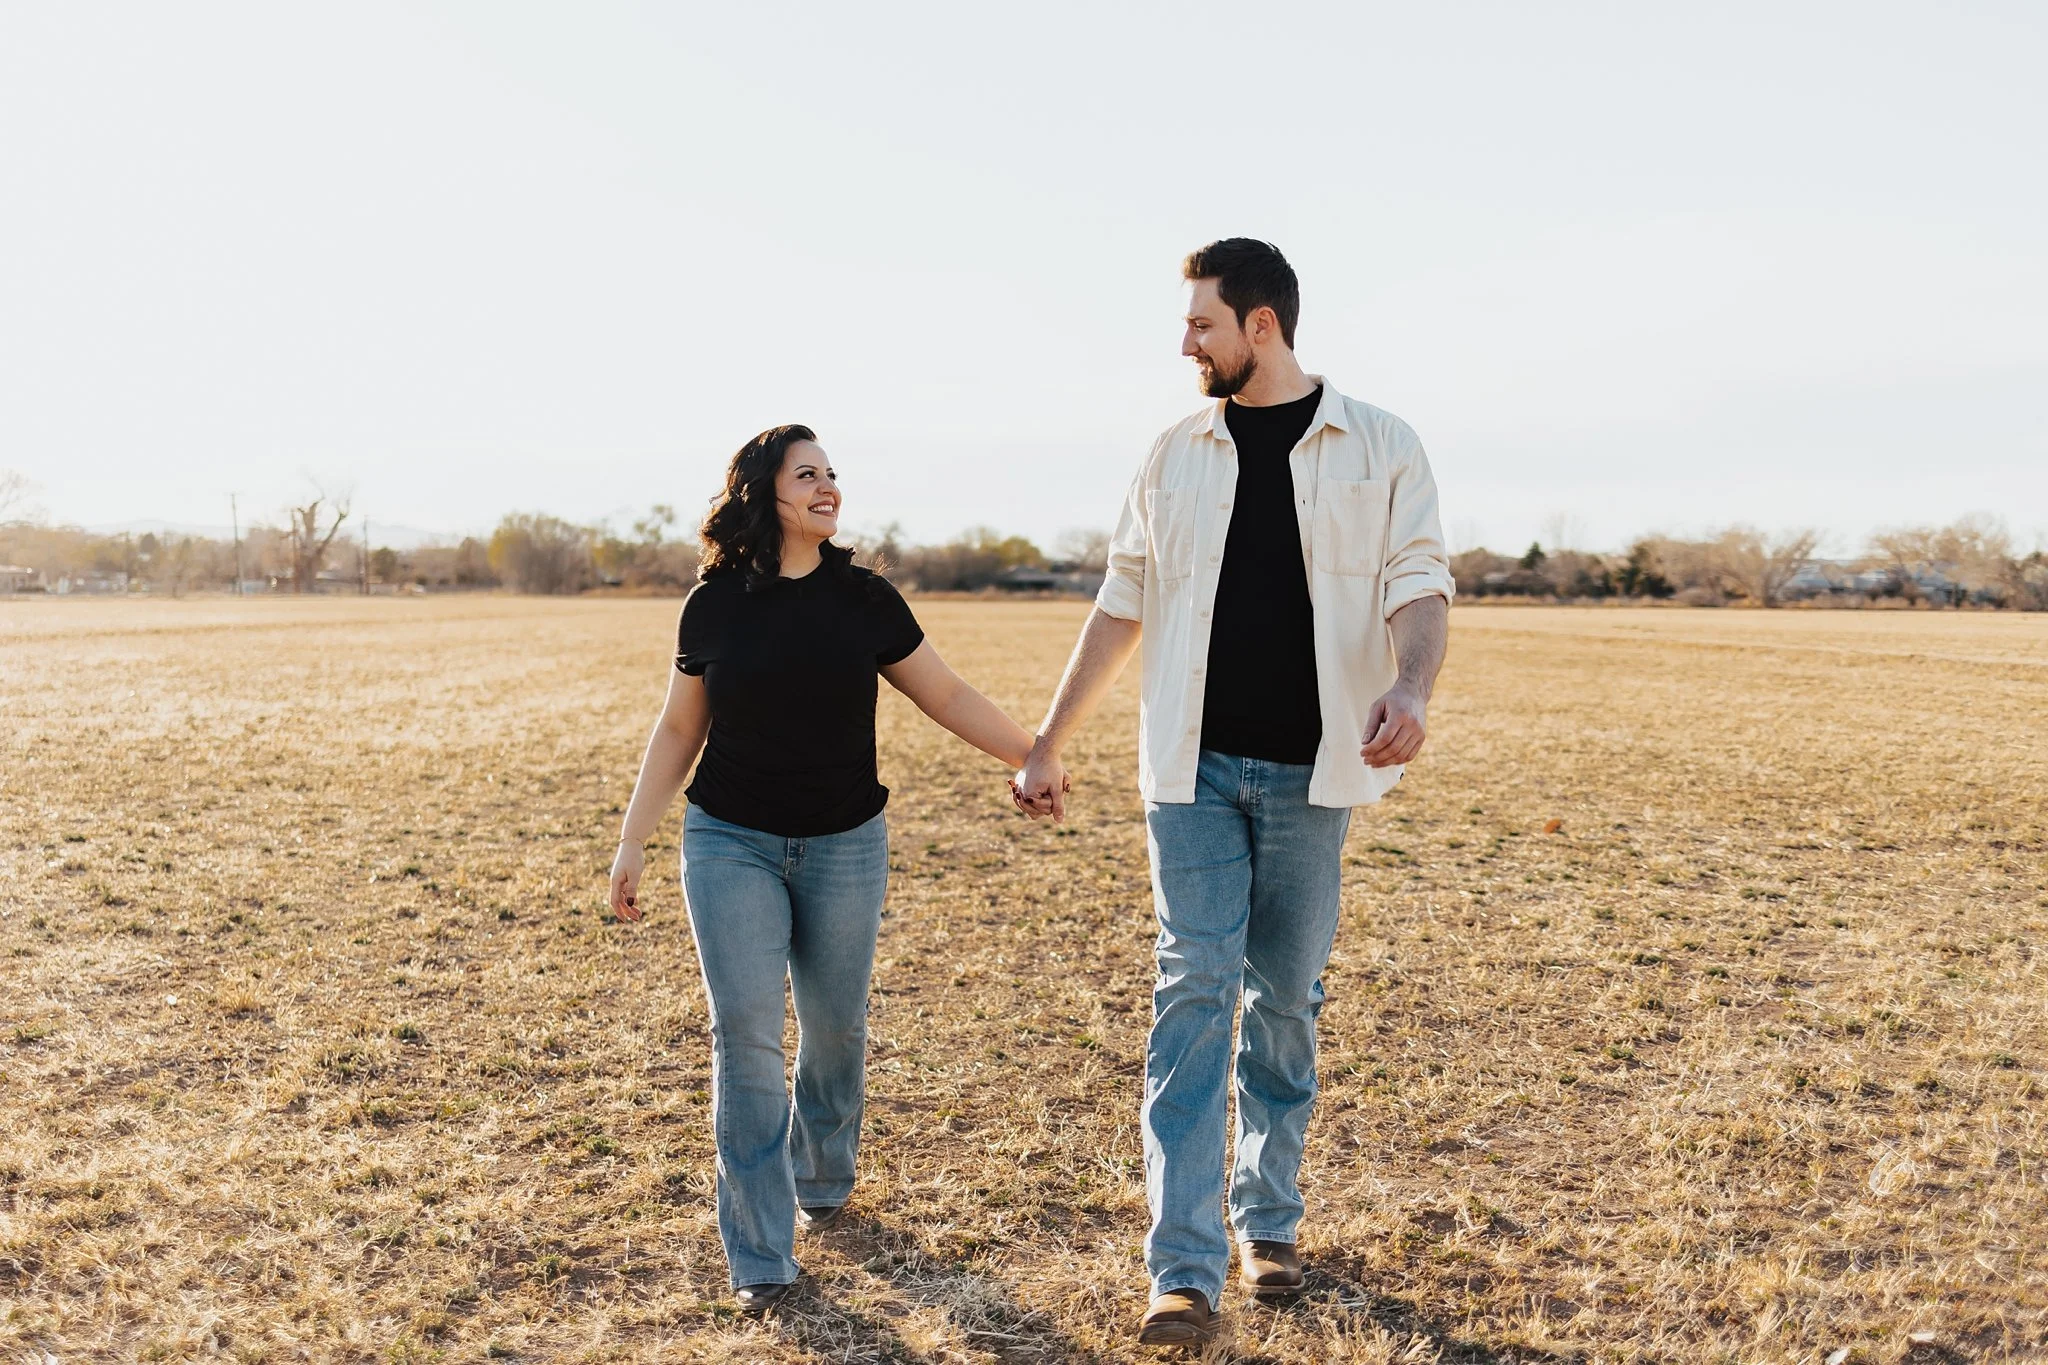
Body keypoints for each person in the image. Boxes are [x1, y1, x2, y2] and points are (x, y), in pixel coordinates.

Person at [1011, 240, 1454, 1346]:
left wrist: (1407, 689)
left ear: (1260, 326)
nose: (1183, 344)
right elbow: (1120, 602)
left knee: (1286, 1002)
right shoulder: (1172, 453)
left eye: (1200, 324)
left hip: (1315, 774)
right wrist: (1047, 739)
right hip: (1188, 775)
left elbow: (1418, 582)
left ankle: (1269, 1222)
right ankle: (1182, 1268)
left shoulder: (1381, 444)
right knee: (1192, 992)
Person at [608, 423, 1041, 1312]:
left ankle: (822, 1170)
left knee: (836, 1028)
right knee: (748, 1039)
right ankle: (761, 1254)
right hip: (730, 840)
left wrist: (1034, 753)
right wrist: (633, 837)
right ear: (763, 494)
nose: (828, 486)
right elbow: (681, 727)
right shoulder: (712, 604)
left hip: (845, 842)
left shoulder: (866, 599)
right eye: (807, 474)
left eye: (832, 473)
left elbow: (946, 694)